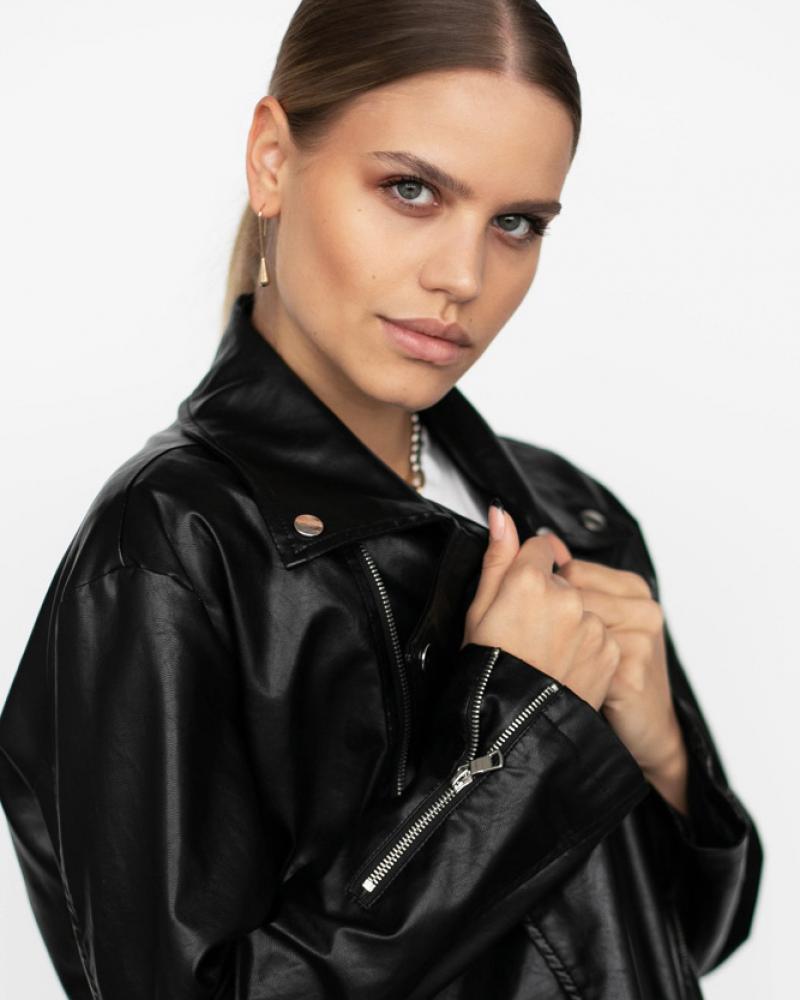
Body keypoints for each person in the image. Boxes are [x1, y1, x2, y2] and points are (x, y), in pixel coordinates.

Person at [0, 1, 763, 998]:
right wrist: (508, 741)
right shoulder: (172, 550)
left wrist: (665, 758)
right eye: (411, 190)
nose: (463, 276)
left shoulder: (571, 514)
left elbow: (679, 940)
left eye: (516, 223)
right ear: (272, 159)